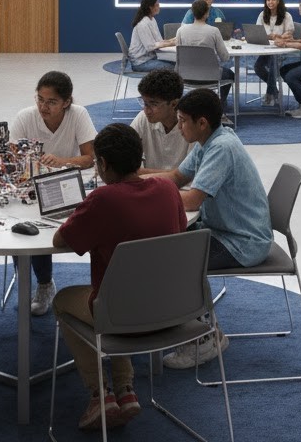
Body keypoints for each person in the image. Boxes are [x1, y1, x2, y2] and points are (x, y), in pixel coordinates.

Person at [52, 123, 186, 429]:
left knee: (63, 301)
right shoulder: (167, 189)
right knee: (116, 294)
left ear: (102, 165)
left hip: (123, 315)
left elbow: (62, 241)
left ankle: (100, 394)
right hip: (173, 307)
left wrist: (80, 213)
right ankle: (126, 390)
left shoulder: (103, 199)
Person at [153, 88, 272, 369]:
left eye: (182, 120)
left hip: (242, 241)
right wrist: (133, 181)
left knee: (173, 262)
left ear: (201, 122)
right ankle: (194, 323)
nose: (178, 126)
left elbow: (193, 198)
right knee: (159, 248)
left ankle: (205, 338)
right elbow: (176, 177)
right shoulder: (209, 140)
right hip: (222, 230)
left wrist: (149, 195)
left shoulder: (220, 148)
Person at [9, 71, 95, 316]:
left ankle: (44, 282)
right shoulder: (25, 117)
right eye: (40, 99)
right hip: (31, 187)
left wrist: (61, 161)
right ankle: (39, 282)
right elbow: (12, 159)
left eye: (51, 102)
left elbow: (90, 157)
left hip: (67, 186)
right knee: (22, 230)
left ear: (67, 102)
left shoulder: (78, 115)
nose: (43, 107)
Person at [131, 67, 193, 171]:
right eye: (144, 103)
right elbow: (124, 149)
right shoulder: (143, 118)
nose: (147, 110)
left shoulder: (192, 125)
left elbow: (189, 175)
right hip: (151, 183)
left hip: (184, 186)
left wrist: (141, 173)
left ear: (174, 104)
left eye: (153, 104)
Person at [175, 0, 235, 102]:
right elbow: (224, 57)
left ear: (192, 13)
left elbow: (179, 56)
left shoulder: (181, 31)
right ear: (207, 13)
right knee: (230, 74)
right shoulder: (214, 31)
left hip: (185, 75)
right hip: (211, 76)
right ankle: (220, 105)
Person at [253, 0, 295, 106]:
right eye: (268, 0)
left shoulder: (286, 16)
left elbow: (289, 34)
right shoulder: (262, 15)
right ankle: (275, 91)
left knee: (273, 64)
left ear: (278, 1)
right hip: (266, 50)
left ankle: (269, 95)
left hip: (280, 50)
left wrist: (279, 36)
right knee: (257, 67)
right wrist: (268, 36)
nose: (270, 2)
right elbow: (257, 32)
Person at [127, 0, 176, 71]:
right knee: (174, 67)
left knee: (177, 62)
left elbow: (159, 41)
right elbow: (150, 47)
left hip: (150, 57)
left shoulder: (152, 20)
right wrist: (172, 43)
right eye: (157, 5)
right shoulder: (142, 24)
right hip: (140, 63)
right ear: (150, 7)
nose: (159, 7)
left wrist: (172, 40)